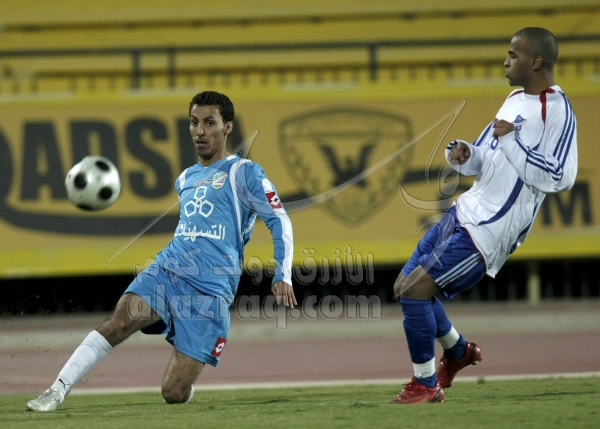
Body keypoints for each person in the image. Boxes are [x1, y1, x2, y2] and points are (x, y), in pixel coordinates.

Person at [26, 91, 296, 412]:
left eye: (209, 123)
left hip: (210, 291)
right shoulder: (186, 178)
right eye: (194, 122)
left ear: (227, 127)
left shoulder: (245, 173)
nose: (199, 131)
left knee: (173, 392)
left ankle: (184, 382)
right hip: (168, 270)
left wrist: (282, 273)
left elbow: (279, 220)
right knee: (118, 322)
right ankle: (55, 391)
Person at [391, 27, 577, 404]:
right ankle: (458, 351)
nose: (505, 61)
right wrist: (464, 155)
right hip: (464, 211)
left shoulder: (556, 110)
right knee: (403, 287)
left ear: (536, 62)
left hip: (488, 230)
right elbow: (484, 156)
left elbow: (561, 177)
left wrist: (511, 141)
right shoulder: (514, 98)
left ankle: (425, 383)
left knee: (415, 292)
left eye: (513, 55)